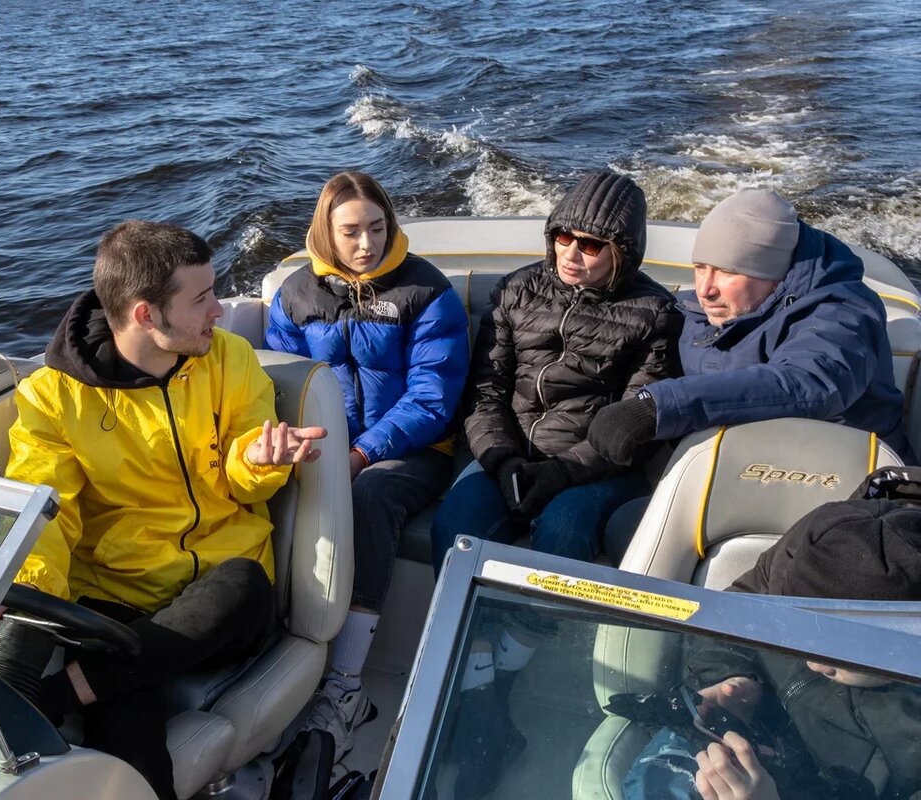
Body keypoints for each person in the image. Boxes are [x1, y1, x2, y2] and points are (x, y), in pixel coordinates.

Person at [0, 220, 326, 800]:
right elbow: (45, 508)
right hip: (115, 600)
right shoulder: (53, 396)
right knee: (130, 766)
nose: (219, 310)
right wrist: (24, 590)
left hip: (223, 596)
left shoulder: (230, 359)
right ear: (145, 315)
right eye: (202, 298)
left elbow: (245, 474)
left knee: (243, 584)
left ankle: (54, 698)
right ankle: (30, 714)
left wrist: (264, 461)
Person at [264, 170, 469, 758]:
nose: (366, 244)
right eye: (351, 232)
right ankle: (272, 656)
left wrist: (360, 453)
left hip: (409, 452)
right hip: (324, 449)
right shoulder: (296, 295)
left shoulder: (426, 293)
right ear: (325, 233)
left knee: (368, 498)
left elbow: (432, 401)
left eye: (377, 228)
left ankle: (347, 683)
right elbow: (280, 383)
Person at [589, 188, 913, 552]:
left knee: (626, 530)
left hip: (843, 492)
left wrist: (658, 407)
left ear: (774, 273)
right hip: (740, 470)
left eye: (728, 272)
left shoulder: (843, 312)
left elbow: (810, 382)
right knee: (613, 522)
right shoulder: (709, 307)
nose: (706, 289)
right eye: (700, 268)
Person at [430, 169, 682, 569]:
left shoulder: (655, 314)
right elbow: (485, 389)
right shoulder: (516, 290)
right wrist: (503, 459)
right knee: (455, 532)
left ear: (622, 251)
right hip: (510, 452)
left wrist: (563, 472)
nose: (570, 253)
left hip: (598, 468)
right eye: (562, 236)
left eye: (589, 245)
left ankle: (532, 635)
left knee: (563, 534)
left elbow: (636, 421)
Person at [621, 469, 921, 800]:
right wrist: (735, 676)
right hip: (762, 736)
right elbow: (730, 616)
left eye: (845, 649)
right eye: (802, 633)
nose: (814, 663)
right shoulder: (818, 546)